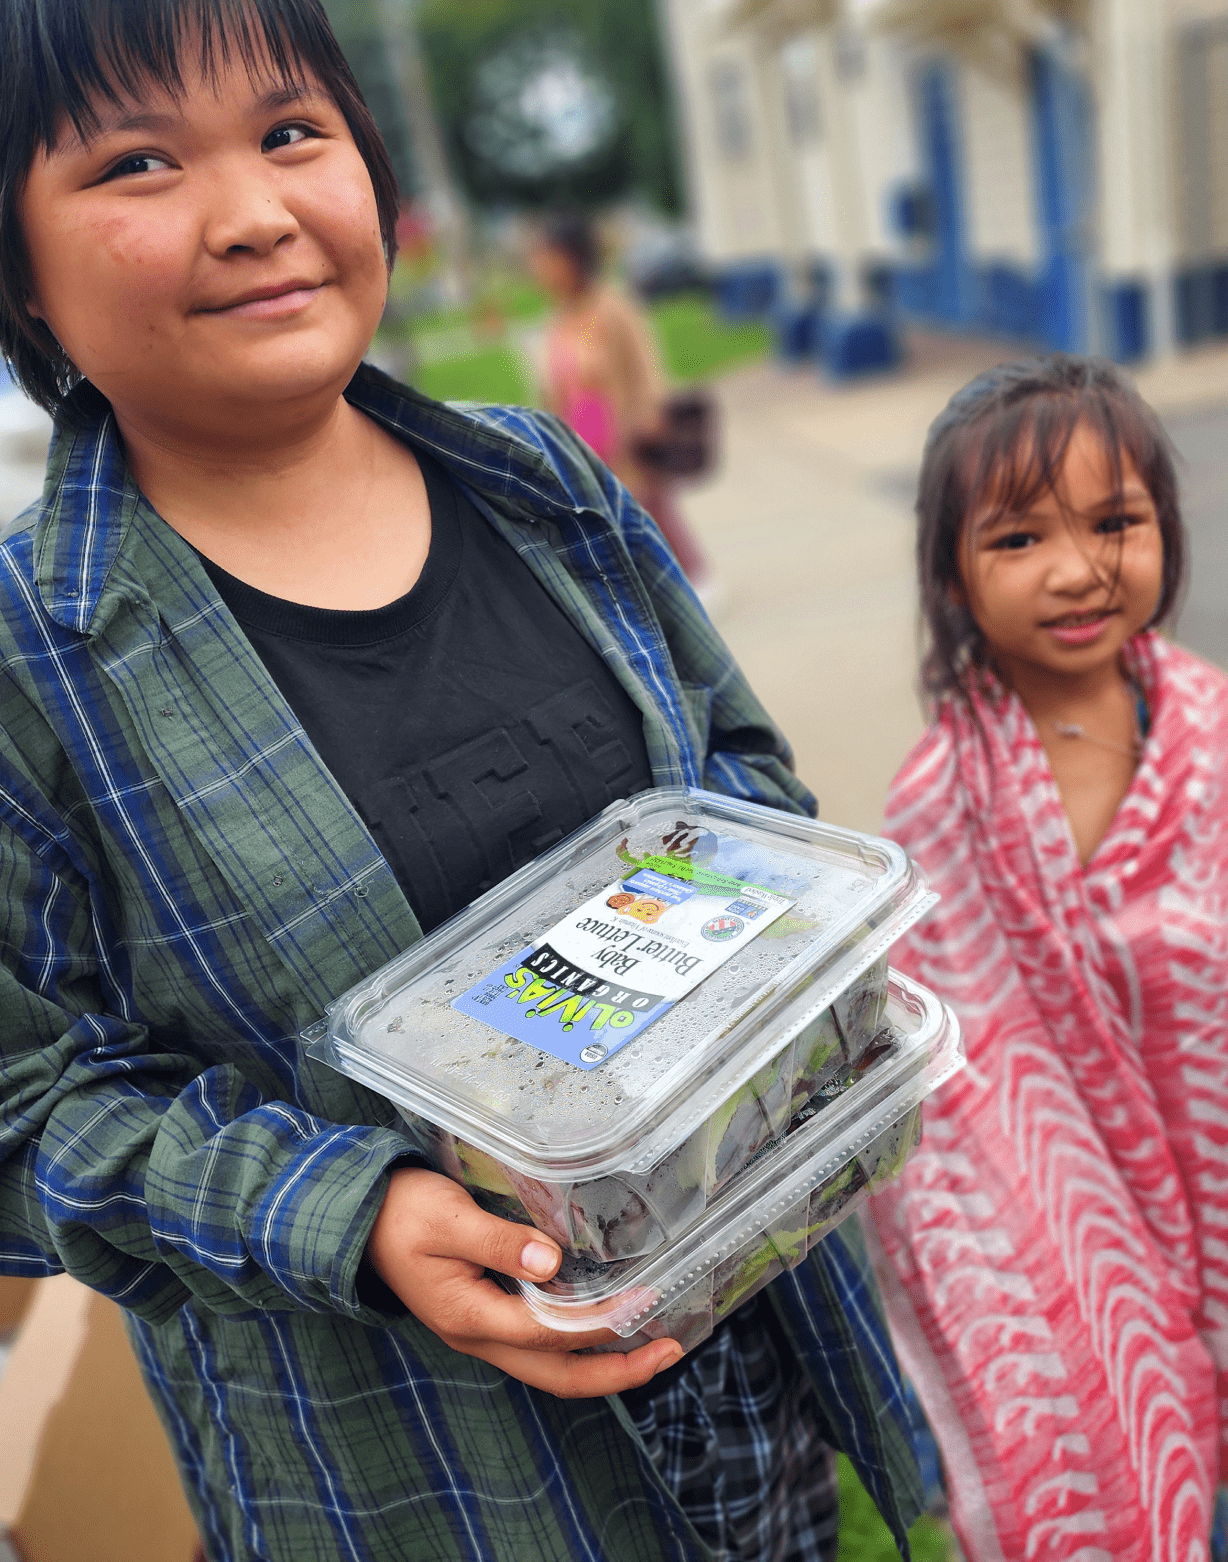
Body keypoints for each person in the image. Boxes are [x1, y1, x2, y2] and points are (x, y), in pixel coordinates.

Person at [0, 2, 923, 1558]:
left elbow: (743, 774)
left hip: (753, 1364)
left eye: (294, 132)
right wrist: (360, 1217)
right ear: (19, 266)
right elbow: (26, 1112)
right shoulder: (34, 661)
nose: (256, 214)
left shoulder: (540, 482)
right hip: (417, 1478)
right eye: (137, 161)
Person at [868, 358, 1228, 1560]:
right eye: (1019, 537)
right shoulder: (937, 808)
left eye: (1115, 522)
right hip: (1081, 1281)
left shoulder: (1216, 741)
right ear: (954, 577)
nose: (1079, 570)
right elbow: (942, 1100)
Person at [529, 213, 715, 596]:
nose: (541, 269)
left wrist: (650, 412)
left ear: (573, 258)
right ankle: (650, 594)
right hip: (584, 443)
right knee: (613, 524)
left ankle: (697, 580)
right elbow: (554, 386)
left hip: (625, 434)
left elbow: (646, 361)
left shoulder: (612, 306)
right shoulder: (559, 319)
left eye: (548, 258)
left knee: (650, 512)